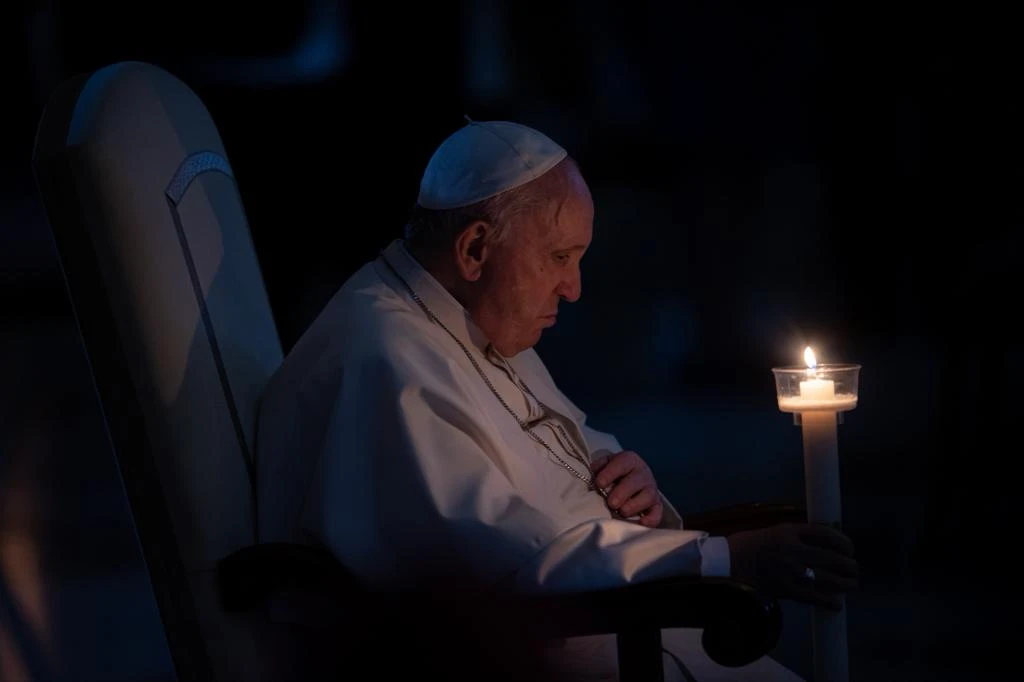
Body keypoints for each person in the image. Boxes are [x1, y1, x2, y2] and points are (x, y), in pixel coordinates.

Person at [255, 119, 858, 681]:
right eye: (559, 259)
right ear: (473, 250)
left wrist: (633, 487)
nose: (573, 289)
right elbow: (507, 565)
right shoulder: (384, 359)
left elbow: (563, 458)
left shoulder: (455, 318)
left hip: (622, 614)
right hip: (576, 643)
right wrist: (728, 560)